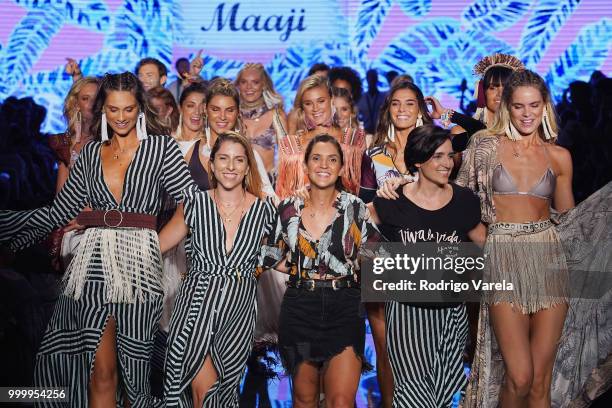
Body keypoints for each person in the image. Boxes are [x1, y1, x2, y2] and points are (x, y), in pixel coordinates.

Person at [0, 72, 195, 406]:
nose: (121, 117)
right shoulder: (90, 155)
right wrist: (7, 231)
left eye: (128, 109)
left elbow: (190, 206)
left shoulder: (162, 149)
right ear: (103, 110)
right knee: (99, 370)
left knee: (135, 376)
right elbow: (57, 212)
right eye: (114, 109)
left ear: (140, 109)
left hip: (140, 268)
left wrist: (154, 247)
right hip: (91, 267)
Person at [457, 69, 574, 407]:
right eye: (520, 106)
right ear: (507, 106)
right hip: (503, 258)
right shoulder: (485, 146)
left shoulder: (559, 156)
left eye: (534, 106)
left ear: (545, 106)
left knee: (540, 381)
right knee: (519, 375)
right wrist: (487, 242)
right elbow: (460, 201)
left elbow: (567, 220)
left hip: (549, 259)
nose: (527, 114)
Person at [261, 134, 381, 407]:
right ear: (305, 165)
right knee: (304, 399)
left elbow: (375, 255)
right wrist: (299, 268)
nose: (323, 165)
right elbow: (269, 254)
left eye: (332, 159)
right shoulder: (289, 208)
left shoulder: (355, 207)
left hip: (345, 306)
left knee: (340, 400)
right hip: (299, 307)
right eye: (316, 158)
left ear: (340, 168)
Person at [369, 125, 485, 407]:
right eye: (437, 156)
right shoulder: (390, 202)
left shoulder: (465, 201)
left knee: (445, 396)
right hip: (407, 314)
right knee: (412, 395)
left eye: (449, 156)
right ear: (418, 160)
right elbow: (366, 248)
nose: (447, 163)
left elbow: (486, 249)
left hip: (450, 315)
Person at [160, 131, 277, 407]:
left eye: (238, 160)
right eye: (223, 158)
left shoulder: (264, 211)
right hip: (196, 308)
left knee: (224, 394)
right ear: (211, 164)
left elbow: (276, 257)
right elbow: (157, 245)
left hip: (238, 313)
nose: (230, 166)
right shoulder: (194, 203)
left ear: (248, 166)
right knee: (205, 393)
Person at [357, 79, 433, 407]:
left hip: (426, 253)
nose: (402, 110)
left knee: (421, 346)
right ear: (387, 110)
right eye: (395, 104)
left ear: (420, 110)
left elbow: (471, 132)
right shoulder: (375, 154)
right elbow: (363, 206)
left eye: (410, 104)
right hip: (383, 250)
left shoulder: (435, 149)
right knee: (386, 345)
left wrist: (447, 116)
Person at [277, 75, 364, 199]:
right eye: (308, 103)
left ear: (331, 100)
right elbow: (283, 195)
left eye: (321, 101)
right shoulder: (291, 147)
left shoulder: (352, 140)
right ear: (302, 108)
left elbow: (362, 187)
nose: (315, 108)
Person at [46, 76, 100, 271]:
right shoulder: (65, 145)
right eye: (86, 99)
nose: (92, 104)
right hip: (72, 228)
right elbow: (61, 197)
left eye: (97, 99)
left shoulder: (115, 141)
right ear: (75, 103)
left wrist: (91, 217)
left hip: (103, 227)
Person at [235, 63, 287, 177]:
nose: (249, 87)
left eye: (255, 82)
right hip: (236, 185)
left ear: (263, 85)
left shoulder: (276, 115)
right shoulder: (232, 116)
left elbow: (287, 156)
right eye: (244, 82)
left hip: (269, 186)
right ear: (238, 85)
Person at [358, 69, 386, 134]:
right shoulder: (361, 98)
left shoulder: (384, 97)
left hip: (380, 132)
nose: (372, 80)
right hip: (365, 132)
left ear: (376, 79)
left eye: (373, 77)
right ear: (367, 79)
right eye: (370, 78)